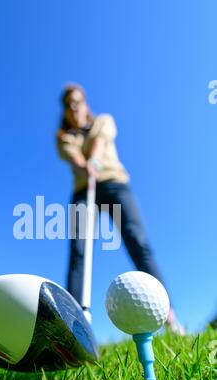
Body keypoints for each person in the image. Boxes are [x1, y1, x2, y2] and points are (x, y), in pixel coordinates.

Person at [56, 83, 185, 334]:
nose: (75, 106)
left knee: (138, 242)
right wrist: (85, 165)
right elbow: (74, 157)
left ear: (85, 103)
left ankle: (170, 316)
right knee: (79, 251)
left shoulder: (103, 120)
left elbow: (101, 143)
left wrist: (94, 159)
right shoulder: (63, 137)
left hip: (115, 184)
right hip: (84, 191)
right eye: (69, 104)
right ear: (65, 110)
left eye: (78, 101)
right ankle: (73, 325)